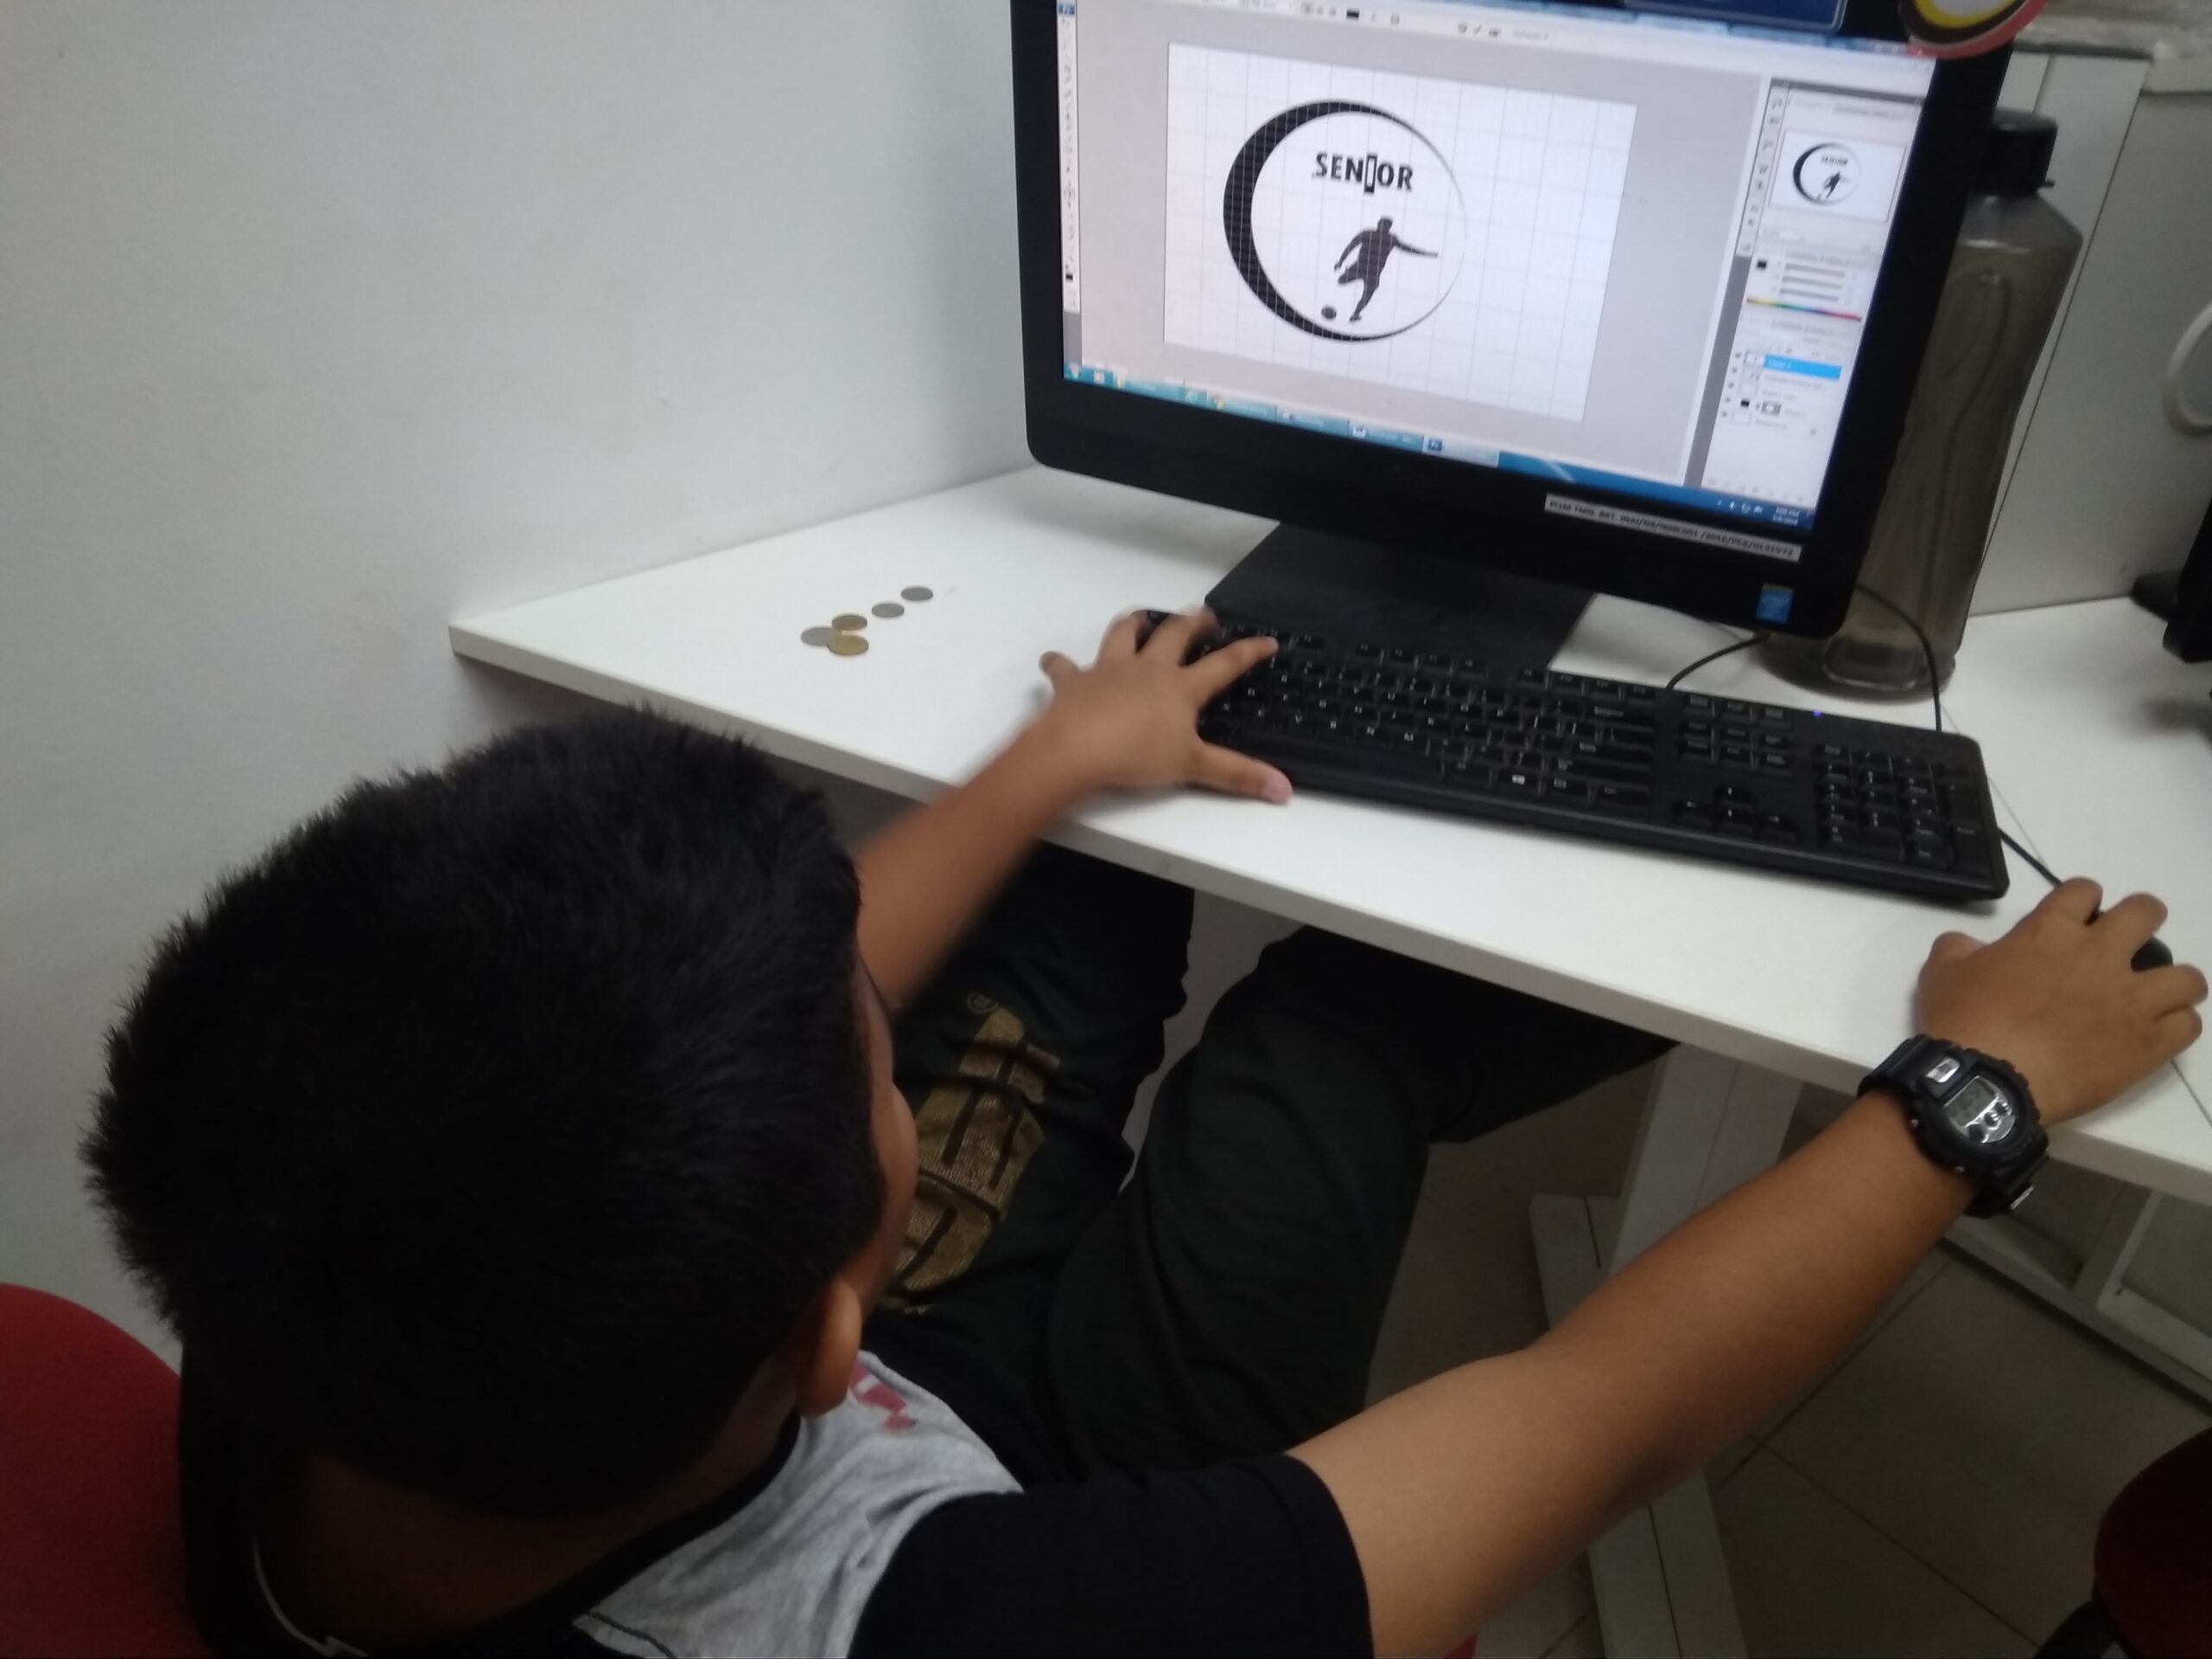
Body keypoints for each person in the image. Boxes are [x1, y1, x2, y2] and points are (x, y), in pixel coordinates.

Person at [85, 610, 2202, 1657]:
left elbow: (721, 1024)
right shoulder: (1022, 1636)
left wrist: (1049, 763)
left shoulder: (299, 1274)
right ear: (827, 1329)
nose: (879, 1002)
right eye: (875, 1061)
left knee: (1079, 890)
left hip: (886, 1417)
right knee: (1331, 1029)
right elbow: (1592, 1416)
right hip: (1049, 1489)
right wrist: (1971, 1091)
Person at [1335, 215, 1433, 322]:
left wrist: (1426, 254)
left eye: (1386, 226)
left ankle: (1356, 314)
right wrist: (1341, 260)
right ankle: (1356, 313)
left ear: (1389, 227)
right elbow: (1351, 246)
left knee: (1367, 295)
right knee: (1341, 281)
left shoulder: (1391, 239)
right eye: (1383, 225)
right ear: (1378, 224)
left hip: (1373, 272)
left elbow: (1408, 248)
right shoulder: (1368, 234)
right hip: (1360, 267)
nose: (1384, 227)